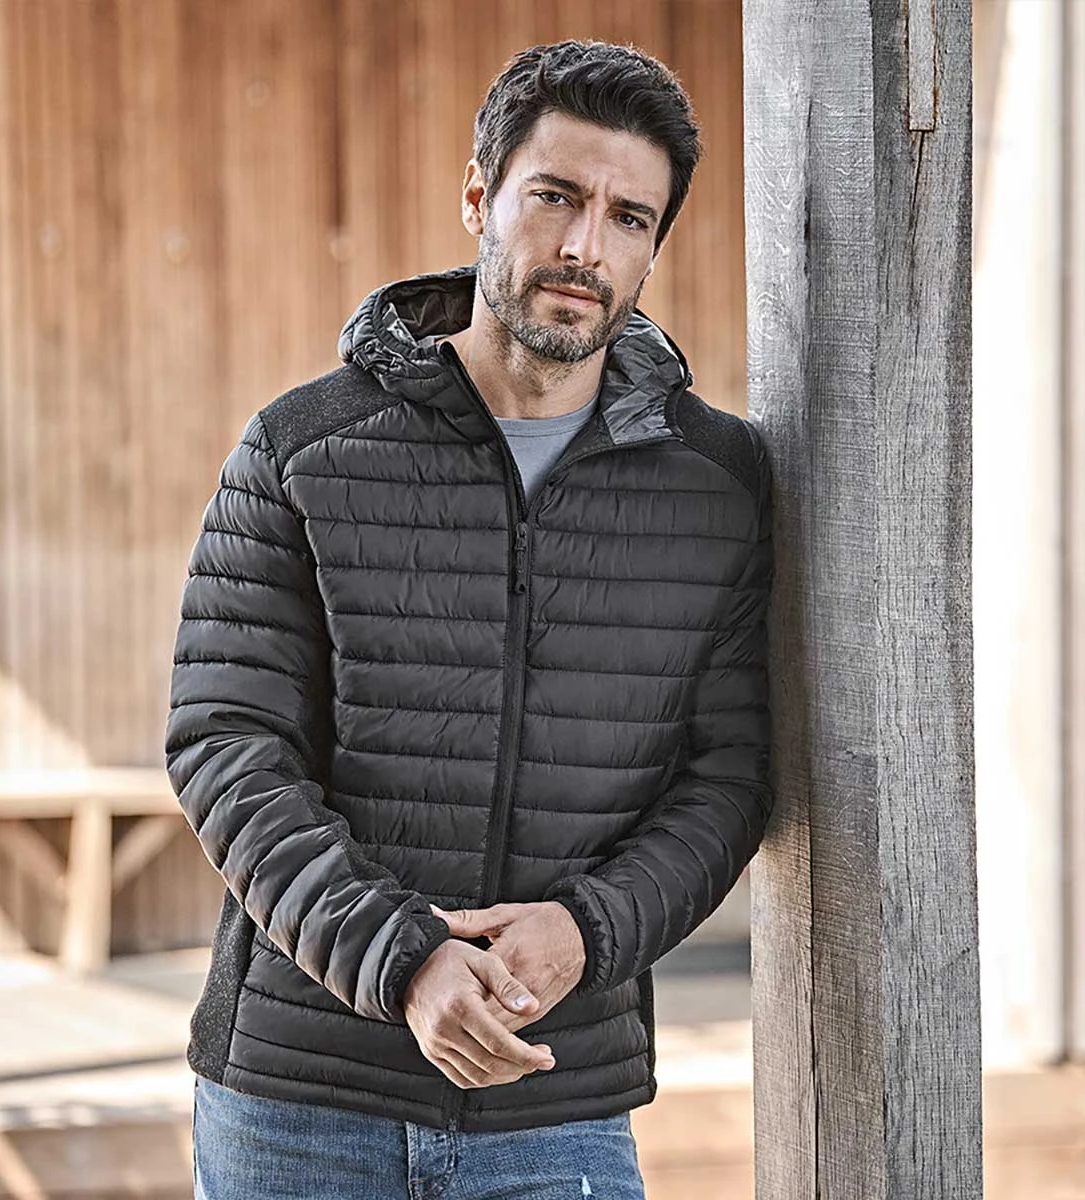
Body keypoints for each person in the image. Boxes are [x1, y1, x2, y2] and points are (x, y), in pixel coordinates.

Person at [167, 37, 774, 1200]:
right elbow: (227, 746)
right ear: (478, 196)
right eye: (555, 196)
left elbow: (730, 776)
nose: (585, 246)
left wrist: (589, 932)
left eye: (629, 218)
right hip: (300, 1098)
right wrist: (403, 961)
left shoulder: (718, 486)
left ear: (654, 246)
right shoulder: (304, 449)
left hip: (556, 1097)